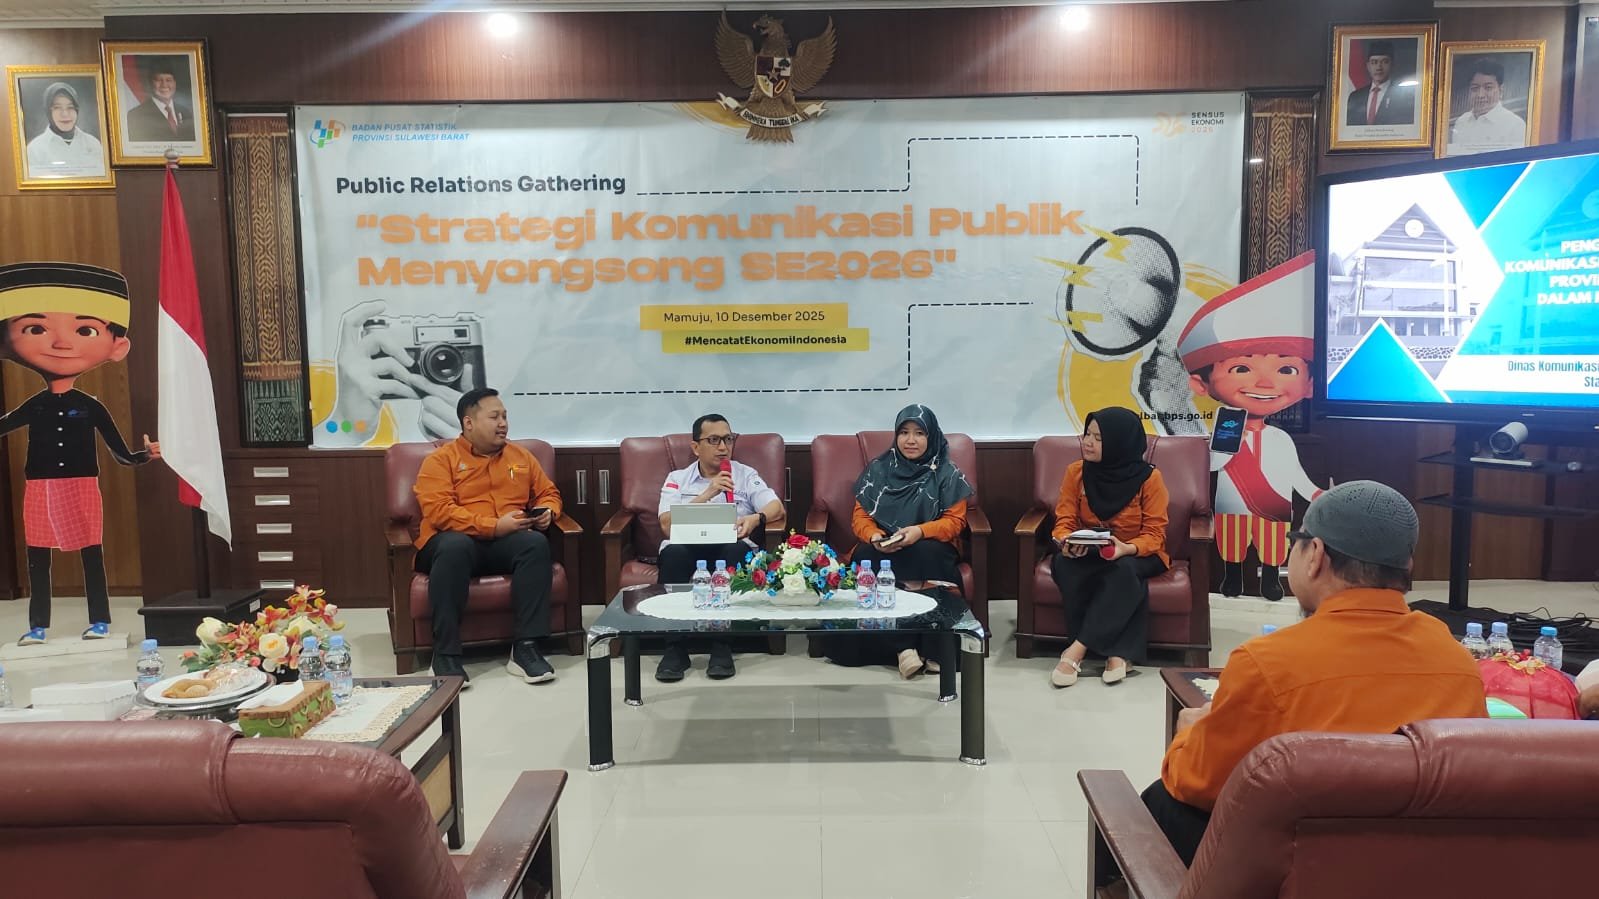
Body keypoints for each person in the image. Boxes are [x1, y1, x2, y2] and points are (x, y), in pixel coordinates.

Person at [1130, 481, 1487, 871]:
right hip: (1415, 871)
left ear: (1315, 554)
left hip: (1303, 872)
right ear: (1407, 567)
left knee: (1162, 802)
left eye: (1295, 542)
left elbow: (1199, 785)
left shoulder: (1266, 662)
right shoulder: (1459, 663)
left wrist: (1188, 735)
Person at [0, 262, 162, 645]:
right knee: (38, 556)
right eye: (36, 329)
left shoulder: (91, 407)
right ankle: (38, 626)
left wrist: (143, 455)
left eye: (85, 330)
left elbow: (119, 451)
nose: (61, 344)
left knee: (92, 553)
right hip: (40, 486)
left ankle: (100, 620)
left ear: (117, 346)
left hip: (83, 484)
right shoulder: (35, 405)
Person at [1179, 254, 1321, 600]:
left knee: (1273, 543)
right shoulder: (1227, 425)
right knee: (1232, 541)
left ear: (1309, 386)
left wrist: (1315, 493)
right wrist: (1229, 439)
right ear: (1201, 384)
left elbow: (1293, 473)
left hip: (1275, 505)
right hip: (1232, 504)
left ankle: (1270, 579)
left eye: (1286, 370)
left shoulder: (1280, 438)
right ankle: (1232, 578)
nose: (1265, 383)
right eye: (1241, 369)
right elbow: (1213, 465)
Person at [412, 387, 560, 685]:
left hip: (504, 542)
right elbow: (440, 512)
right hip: (450, 543)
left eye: (505, 416)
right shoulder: (440, 461)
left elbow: (548, 492)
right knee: (455, 545)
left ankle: (526, 648)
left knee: (534, 543)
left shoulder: (521, 457)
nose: (503, 423)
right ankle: (446, 655)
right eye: (494, 417)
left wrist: (548, 511)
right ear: (468, 423)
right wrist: (493, 526)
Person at [834, 404, 972, 678]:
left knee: (927, 554)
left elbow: (954, 522)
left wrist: (919, 531)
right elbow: (860, 518)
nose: (911, 440)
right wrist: (874, 536)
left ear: (932, 436)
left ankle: (935, 648)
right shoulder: (878, 470)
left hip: (930, 542)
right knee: (865, 557)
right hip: (884, 544)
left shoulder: (948, 472)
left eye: (919, 433)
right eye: (904, 432)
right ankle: (903, 648)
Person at [654, 414, 785, 682]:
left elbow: (776, 507)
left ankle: (722, 645)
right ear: (695, 447)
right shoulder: (677, 479)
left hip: (729, 544)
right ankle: (675, 648)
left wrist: (755, 518)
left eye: (728, 439)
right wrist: (707, 494)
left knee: (736, 552)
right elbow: (666, 525)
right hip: (687, 546)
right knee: (673, 554)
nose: (723, 447)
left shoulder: (745, 475)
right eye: (714, 440)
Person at [1048, 407, 1168, 688]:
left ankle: (1076, 650)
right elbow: (1064, 520)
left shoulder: (1150, 479)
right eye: (1087, 434)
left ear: (1119, 443)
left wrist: (1126, 548)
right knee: (1064, 564)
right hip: (1090, 549)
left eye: (1098, 438)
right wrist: (1066, 541)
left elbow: (1155, 534)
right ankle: (1119, 653)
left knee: (1124, 570)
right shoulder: (1076, 472)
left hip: (1137, 552)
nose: (1087, 442)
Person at [24, 82, 105, 179]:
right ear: (48, 111)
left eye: (70, 107)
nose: (65, 114)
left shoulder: (93, 143)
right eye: (57, 108)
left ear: (77, 110)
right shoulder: (35, 149)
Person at [1448, 58, 1528, 155]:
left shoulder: (1515, 125)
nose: (1480, 95)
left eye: (1488, 88)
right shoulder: (1461, 122)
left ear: (1501, 90)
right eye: (1475, 88)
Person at [1345, 40, 1415, 127]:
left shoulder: (1403, 97)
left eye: (1385, 62)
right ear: (1368, 66)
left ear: (1392, 65)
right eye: (1374, 62)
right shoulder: (1355, 97)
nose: (1379, 67)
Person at [125, 60, 195, 144]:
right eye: (158, 80)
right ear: (150, 83)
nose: (164, 85)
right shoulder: (136, 115)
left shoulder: (186, 112)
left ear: (175, 83)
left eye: (168, 80)